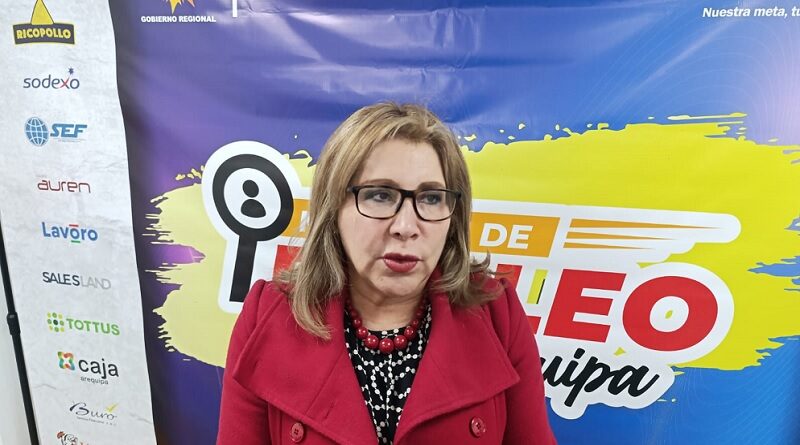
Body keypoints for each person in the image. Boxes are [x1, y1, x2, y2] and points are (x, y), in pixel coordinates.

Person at [217, 103, 557, 445]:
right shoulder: (268, 315)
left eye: (431, 198)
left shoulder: (497, 312)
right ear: (334, 206)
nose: (406, 226)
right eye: (380, 195)